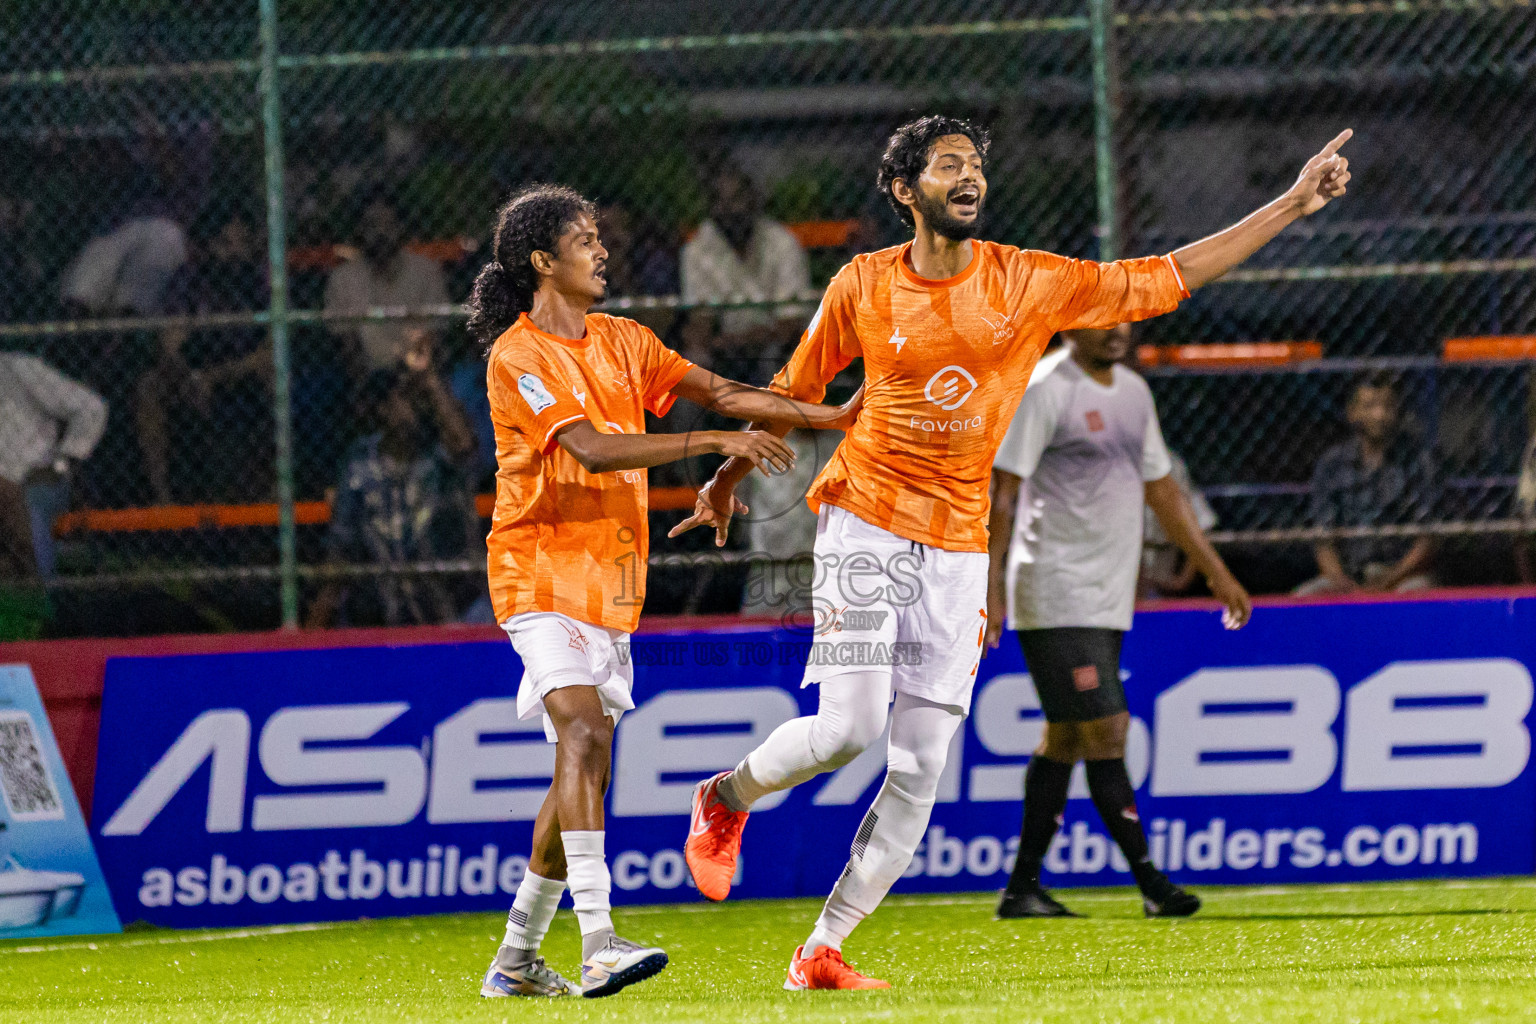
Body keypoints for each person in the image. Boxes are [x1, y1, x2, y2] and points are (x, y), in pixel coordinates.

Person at [675, 114, 1352, 990]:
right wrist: (727, 475)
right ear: (903, 190)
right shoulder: (863, 284)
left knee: (920, 765)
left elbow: (1168, 277)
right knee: (848, 729)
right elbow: (790, 392)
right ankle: (724, 798)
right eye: (947, 165)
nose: (968, 177)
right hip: (866, 516)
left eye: (975, 166)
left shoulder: (1028, 279)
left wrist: (1292, 204)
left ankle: (823, 949)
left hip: (958, 545)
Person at [467, 184, 860, 1000]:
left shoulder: (624, 340)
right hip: (537, 568)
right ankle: (599, 942)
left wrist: (832, 416)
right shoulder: (519, 355)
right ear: (544, 261)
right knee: (580, 734)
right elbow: (589, 450)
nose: (602, 249)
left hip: (611, 584)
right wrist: (714, 439)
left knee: (583, 759)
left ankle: (515, 958)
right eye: (584, 239)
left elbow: (723, 392)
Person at [984, 323, 1252, 920]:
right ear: (1070, 324)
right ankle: (1151, 883)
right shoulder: (1045, 386)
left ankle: (1021, 890)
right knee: (1108, 729)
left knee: (1067, 738)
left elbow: (1164, 492)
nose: (1116, 330)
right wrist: (991, 584)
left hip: (1108, 594)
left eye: (1123, 318)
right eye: (1101, 319)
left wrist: (1214, 570)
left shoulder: (1132, 391)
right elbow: (1003, 494)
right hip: (1054, 588)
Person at [304, 346, 477, 628]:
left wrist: (430, 381)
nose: (415, 405)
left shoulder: (438, 454)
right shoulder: (361, 464)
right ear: (384, 409)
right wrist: (312, 631)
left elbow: (465, 446)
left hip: (453, 607)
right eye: (405, 397)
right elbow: (342, 545)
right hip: (384, 610)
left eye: (418, 397)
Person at [1294, 377, 1438, 594]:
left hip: (1401, 576)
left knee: (1421, 592)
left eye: (1387, 406)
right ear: (1352, 412)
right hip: (1348, 576)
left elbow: (1428, 541)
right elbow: (1323, 540)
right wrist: (1344, 584)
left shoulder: (1419, 462)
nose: (1379, 415)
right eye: (1369, 406)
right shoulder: (1332, 464)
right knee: (1304, 597)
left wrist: (1387, 582)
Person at [679, 164, 811, 371]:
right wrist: (710, 344)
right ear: (711, 207)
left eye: (736, 199)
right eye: (722, 202)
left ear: (753, 201)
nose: (731, 209)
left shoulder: (781, 242)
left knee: (776, 362)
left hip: (775, 346)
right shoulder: (698, 249)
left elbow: (791, 322)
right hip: (723, 350)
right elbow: (701, 320)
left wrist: (750, 339)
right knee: (693, 366)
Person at [323, 190, 451, 382]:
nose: (381, 233)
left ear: (400, 227)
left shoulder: (425, 271)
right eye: (372, 225)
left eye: (388, 225)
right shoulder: (343, 278)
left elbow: (436, 334)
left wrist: (418, 368)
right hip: (370, 378)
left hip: (420, 371)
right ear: (360, 229)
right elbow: (346, 344)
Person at [0, 352, 107, 578]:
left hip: (34, 481)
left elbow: (91, 408)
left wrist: (61, 464)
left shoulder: (18, 369)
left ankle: (29, 565)